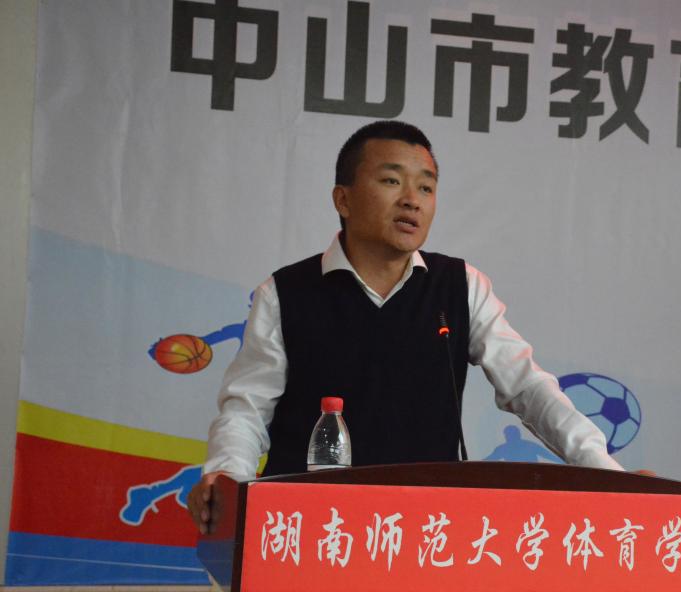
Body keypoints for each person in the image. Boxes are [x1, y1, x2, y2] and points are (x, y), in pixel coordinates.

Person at [188, 121, 628, 534]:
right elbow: (246, 409)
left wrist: (607, 474)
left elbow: (528, 387)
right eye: (391, 181)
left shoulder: (461, 286)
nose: (412, 200)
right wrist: (227, 480)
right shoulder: (285, 292)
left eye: (426, 187)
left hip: (425, 530)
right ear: (343, 200)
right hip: (309, 528)